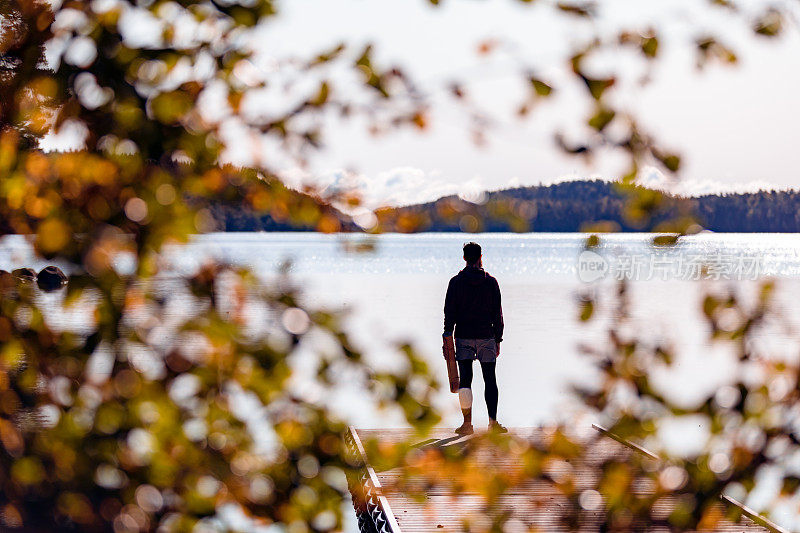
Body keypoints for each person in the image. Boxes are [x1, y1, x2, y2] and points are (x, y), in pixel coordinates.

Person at [443, 242, 507, 435]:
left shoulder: (455, 282)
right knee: (490, 380)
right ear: (481, 256)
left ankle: (467, 424)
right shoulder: (491, 282)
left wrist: (447, 335)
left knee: (465, 381)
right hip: (486, 336)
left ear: (464, 258)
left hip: (463, 337)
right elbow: (498, 314)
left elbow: (449, 312)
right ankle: (493, 423)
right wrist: (498, 338)